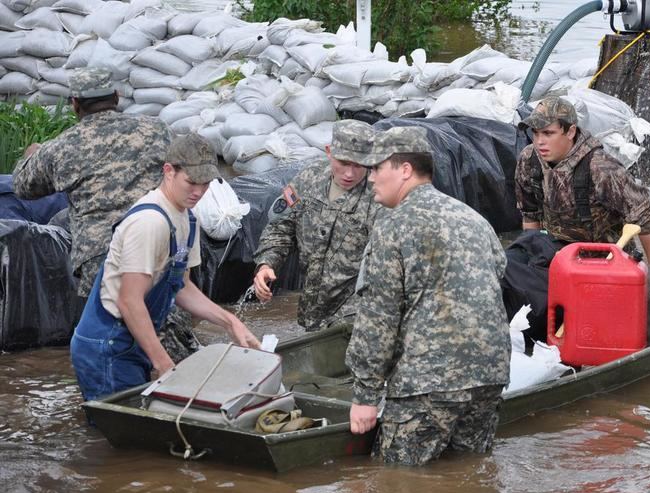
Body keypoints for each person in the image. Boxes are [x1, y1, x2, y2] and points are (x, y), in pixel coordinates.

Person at [346, 126, 511, 466]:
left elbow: (378, 318)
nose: (370, 177)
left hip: (426, 385)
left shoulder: (393, 226)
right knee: (469, 474)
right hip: (489, 378)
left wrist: (364, 396)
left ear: (404, 170)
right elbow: (498, 277)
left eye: (377, 167)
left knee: (397, 481)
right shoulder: (473, 219)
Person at [13, 67, 198, 362]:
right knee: (166, 325)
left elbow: (23, 186)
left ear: (74, 104)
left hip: (100, 260)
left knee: (112, 344)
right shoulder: (155, 130)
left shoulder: (61, 148)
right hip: (155, 245)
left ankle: (124, 400)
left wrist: (31, 154)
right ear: (116, 96)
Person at [70, 133, 261, 401]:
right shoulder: (150, 222)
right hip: (107, 345)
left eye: (205, 184)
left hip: (134, 339)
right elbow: (129, 301)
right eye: (191, 183)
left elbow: (182, 286)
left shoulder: (188, 220)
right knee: (123, 431)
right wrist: (164, 364)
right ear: (169, 171)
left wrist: (230, 322)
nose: (198, 192)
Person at [506, 96, 650, 341]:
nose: (540, 141)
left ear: (570, 131)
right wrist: (530, 255)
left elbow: (645, 216)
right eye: (536, 133)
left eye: (548, 133)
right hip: (555, 251)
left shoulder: (600, 168)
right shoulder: (529, 159)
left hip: (602, 259)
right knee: (508, 266)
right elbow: (530, 215)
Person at [252, 119, 379, 331]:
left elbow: (385, 272)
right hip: (312, 309)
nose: (349, 173)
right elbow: (281, 226)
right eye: (343, 162)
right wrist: (266, 264)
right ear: (329, 152)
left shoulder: (379, 197)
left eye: (359, 165)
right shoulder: (309, 178)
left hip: (354, 319)